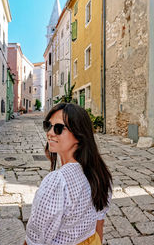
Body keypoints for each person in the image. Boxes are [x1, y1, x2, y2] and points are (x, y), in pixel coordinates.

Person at [24, 103, 112, 245]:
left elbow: (35, 238)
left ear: (79, 135)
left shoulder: (58, 181)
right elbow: (99, 224)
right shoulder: (99, 173)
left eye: (58, 128)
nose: (50, 133)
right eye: (48, 125)